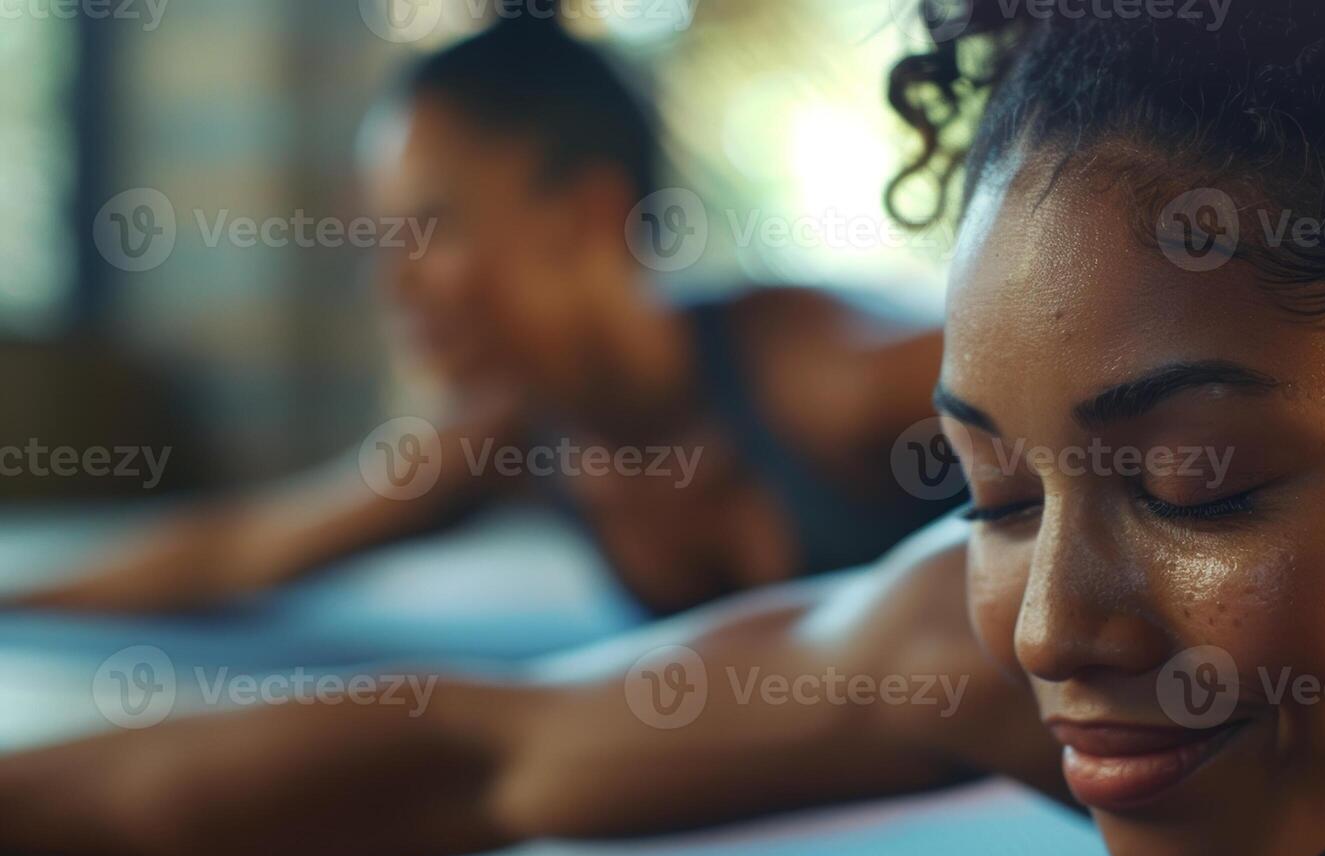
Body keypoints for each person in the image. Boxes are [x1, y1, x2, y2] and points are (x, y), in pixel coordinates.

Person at [4, 6, 1325, 856]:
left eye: (1198, 481)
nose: (1051, 623)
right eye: (987, 489)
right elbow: (481, 750)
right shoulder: (973, 641)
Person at [15, 16, 952, 617]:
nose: (397, 285)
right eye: (383, 242)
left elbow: (1076, 391)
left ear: (582, 213)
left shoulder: (830, 377)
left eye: (430, 226)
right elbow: (250, 546)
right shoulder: (511, 432)